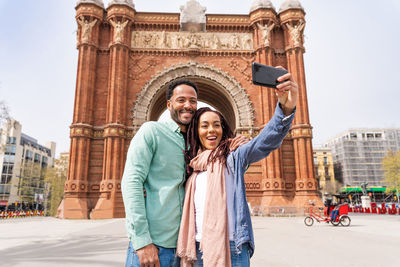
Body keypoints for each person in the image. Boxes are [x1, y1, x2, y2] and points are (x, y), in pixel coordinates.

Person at [177, 67, 298, 267]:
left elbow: (265, 142)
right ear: (195, 131)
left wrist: (284, 109)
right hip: (196, 249)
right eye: (204, 125)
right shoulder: (192, 166)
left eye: (216, 124)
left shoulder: (234, 156)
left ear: (223, 128)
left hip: (233, 248)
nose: (211, 130)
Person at [121, 80, 246, 267]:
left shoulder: (196, 144)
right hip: (154, 245)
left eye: (193, 101)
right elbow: (131, 182)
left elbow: (224, 167)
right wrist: (142, 241)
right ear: (169, 104)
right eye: (181, 100)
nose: (188, 105)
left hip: (184, 250)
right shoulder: (152, 132)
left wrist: (234, 147)